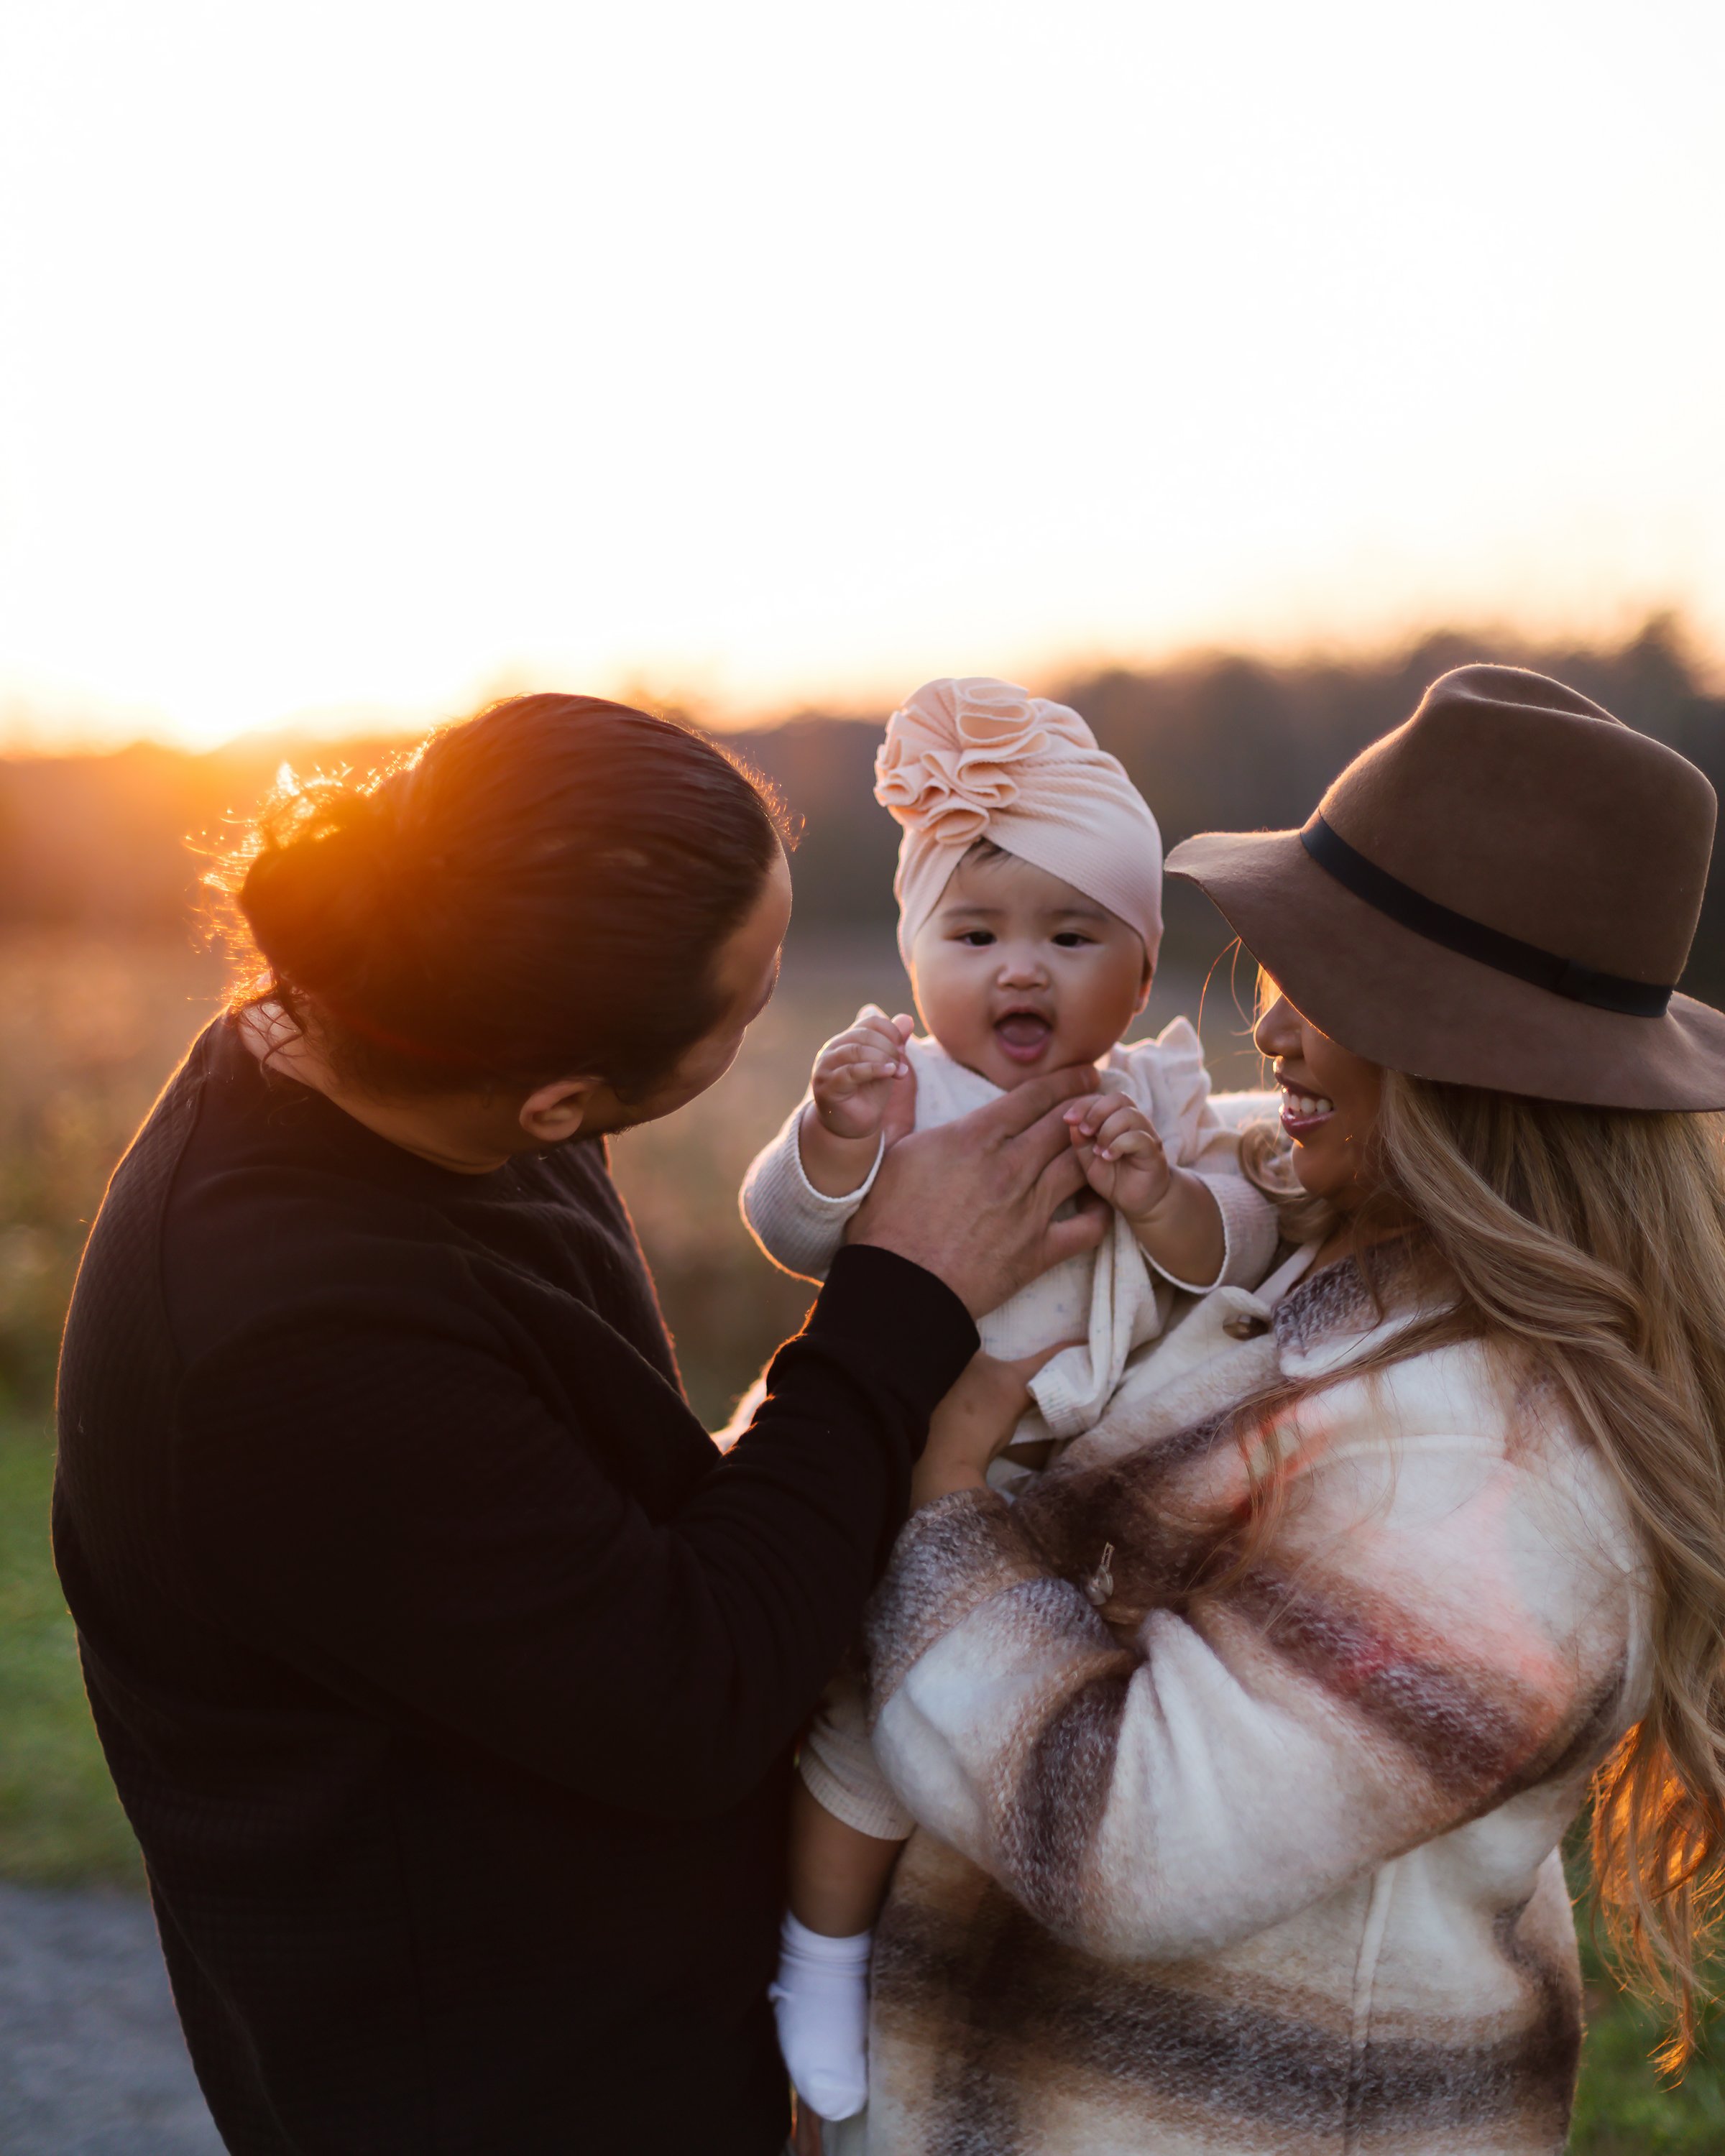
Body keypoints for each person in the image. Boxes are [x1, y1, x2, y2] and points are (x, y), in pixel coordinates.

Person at [51, 692, 1115, 2156]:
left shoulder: (410, 1035)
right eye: (744, 1013)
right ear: (561, 1103)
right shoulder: (291, 1346)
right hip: (511, 2081)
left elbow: (599, 1543)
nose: (773, 1015)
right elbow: (694, 1692)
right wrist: (901, 1297)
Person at [826, 665, 1725, 2155]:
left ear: (1481, 1074)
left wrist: (939, 1502)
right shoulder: (1314, 1213)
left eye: (1340, 992)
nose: (1278, 1029)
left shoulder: (1501, 1474)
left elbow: (1135, 1842)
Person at [739, 677, 1277, 2120]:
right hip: (920, 1468)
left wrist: (1159, 1197)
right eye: (974, 937)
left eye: (1070, 934)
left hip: (1095, 1491)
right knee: (866, 1743)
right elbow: (791, 1231)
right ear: (918, 957)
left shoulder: (1161, 1105)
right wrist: (833, 1139)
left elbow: (1238, 1246)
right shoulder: (898, 1090)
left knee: (1048, 1742)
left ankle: (1012, 1982)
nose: (1019, 971)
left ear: (1141, 966)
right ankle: (821, 1955)